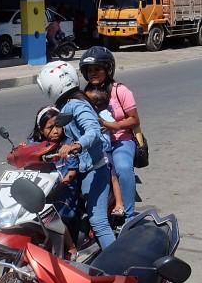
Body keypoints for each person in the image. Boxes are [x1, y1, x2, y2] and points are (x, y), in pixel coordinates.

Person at [37, 61, 115, 249]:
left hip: (94, 170)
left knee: (98, 222)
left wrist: (77, 146)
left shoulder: (77, 105)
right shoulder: (64, 106)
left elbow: (93, 131)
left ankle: (120, 267)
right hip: (79, 168)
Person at [79, 46, 142, 219]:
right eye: (90, 70)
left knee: (122, 168)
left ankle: (128, 215)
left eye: (97, 69)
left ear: (108, 69)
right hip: (97, 143)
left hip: (122, 140)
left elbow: (134, 120)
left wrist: (111, 125)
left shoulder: (120, 90)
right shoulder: (84, 95)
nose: (93, 73)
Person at [29, 105, 81, 258]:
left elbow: (71, 172)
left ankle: (71, 247)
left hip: (65, 192)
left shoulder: (67, 144)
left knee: (52, 214)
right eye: (50, 127)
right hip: (43, 191)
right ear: (40, 130)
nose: (56, 131)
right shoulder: (36, 146)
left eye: (59, 126)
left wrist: (58, 187)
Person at [85, 86, 126, 219]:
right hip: (92, 152)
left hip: (105, 152)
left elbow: (114, 124)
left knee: (113, 177)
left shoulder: (103, 115)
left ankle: (119, 203)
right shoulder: (89, 116)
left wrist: (104, 124)